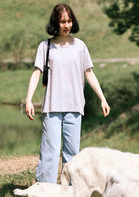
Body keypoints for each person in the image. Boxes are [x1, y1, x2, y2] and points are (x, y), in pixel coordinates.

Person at [25, 3, 110, 184]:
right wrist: (29, 99)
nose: (66, 25)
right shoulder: (45, 46)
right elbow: (36, 72)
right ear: (55, 22)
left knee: (72, 154)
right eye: (62, 21)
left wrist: (102, 98)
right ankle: (44, 193)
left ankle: (70, 193)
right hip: (52, 106)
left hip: (75, 106)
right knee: (51, 152)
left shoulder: (80, 46)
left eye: (69, 20)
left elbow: (89, 73)